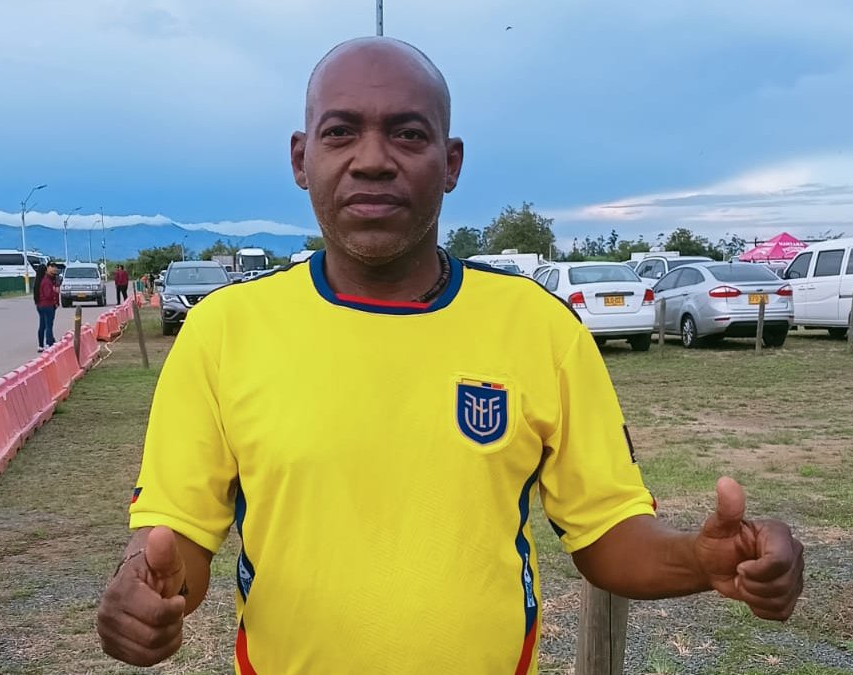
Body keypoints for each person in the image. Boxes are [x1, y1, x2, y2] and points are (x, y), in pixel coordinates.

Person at [97, 38, 804, 673]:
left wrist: (701, 559)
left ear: (451, 162)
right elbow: (177, 540)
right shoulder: (225, 330)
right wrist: (147, 588)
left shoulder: (537, 327)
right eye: (340, 132)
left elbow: (606, 532)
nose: (372, 160)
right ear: (300, 158)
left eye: (407, 134)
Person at [33, 262, 59, 352]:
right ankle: (49, 343)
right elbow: (48, 295)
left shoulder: (38, 282)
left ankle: (41, 345)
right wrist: (54, 291)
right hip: (47, 305)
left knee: (42, 325)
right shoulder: (46, 281)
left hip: (40, 305)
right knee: (49, 325)